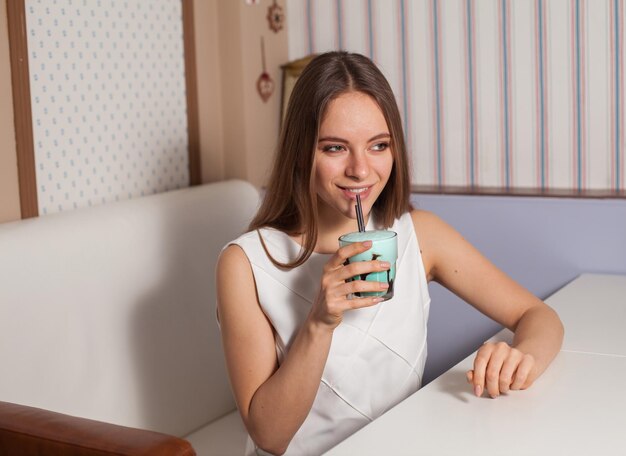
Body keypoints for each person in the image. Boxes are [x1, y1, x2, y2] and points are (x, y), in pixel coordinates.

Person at [216, 51, 564, 456]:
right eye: (334, 148)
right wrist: (319, 323)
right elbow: (270, 437)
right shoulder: (244, 264)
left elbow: (540, 317)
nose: (361, 170)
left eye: (378, 145)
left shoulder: (419, 234)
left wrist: (519, 357)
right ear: (301, 152)